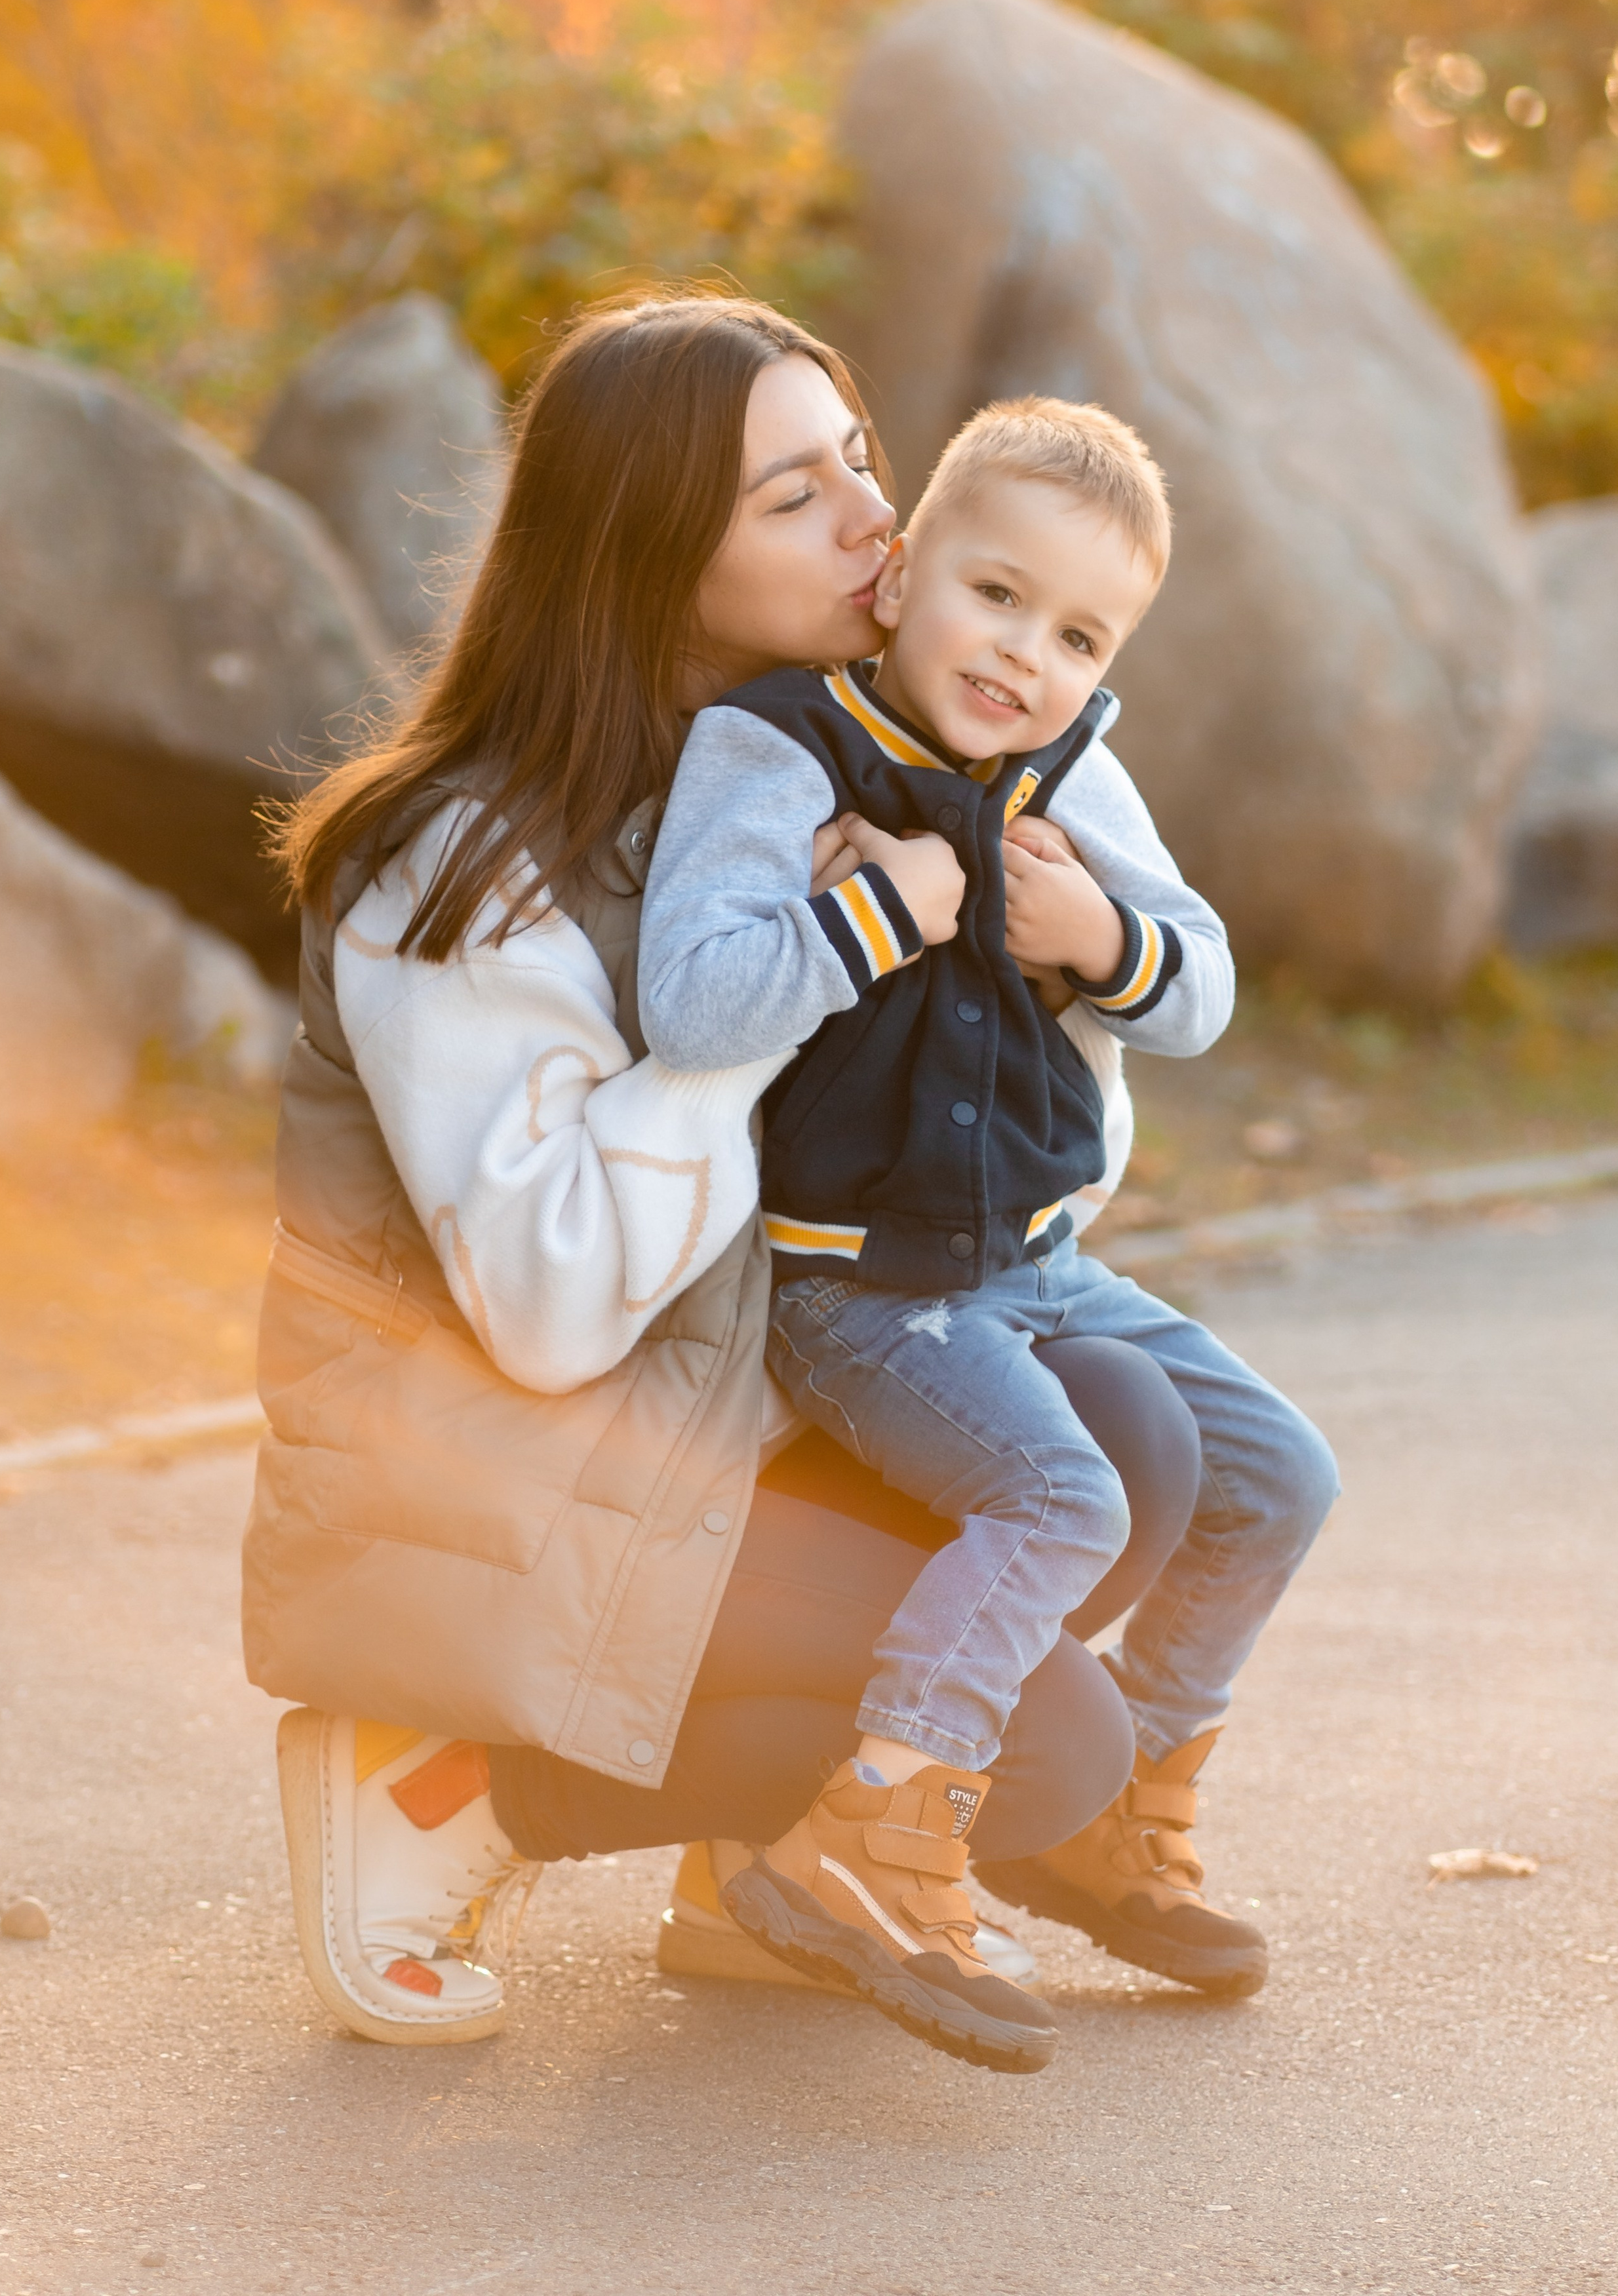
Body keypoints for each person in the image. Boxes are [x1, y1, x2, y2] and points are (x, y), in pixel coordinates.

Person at [248, 292, 1212, 2069]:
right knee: (1058, 1749)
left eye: (859, 456)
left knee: (1138, 1434)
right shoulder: (455, 861)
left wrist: (1068, 948)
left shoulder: (816, 775)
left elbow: (1057, 1157)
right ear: (650, 553)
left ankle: (747, 1870)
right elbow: (550, 1313)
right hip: (492, 1485)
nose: (874, 518)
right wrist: (791, 973)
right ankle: (451, 1781)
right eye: (795, 496)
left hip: (701, 1435)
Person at [639, 394, 1339, 2021]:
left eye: (1077, 634)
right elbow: (690, 996)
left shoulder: (1073, 774)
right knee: (1063, 1502)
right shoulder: (773, 746)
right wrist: (889, 909)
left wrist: (1103, 938)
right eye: (996, 594)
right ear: (897, 576)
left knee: (1278, 1477)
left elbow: (1204, 986)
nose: (1025, 655)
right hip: (855, 1290)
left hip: (1037, 1268)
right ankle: (872, 1828)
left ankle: (1114, 1814)